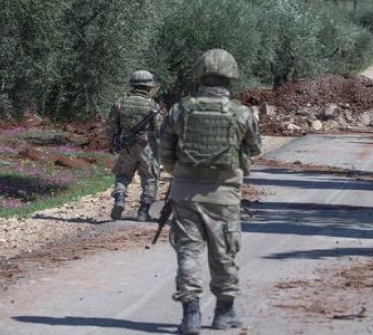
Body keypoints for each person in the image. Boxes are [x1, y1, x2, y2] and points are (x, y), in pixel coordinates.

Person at [158, 49, 261, 334]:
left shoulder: (179, 110)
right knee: (224, 253)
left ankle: (190, 316)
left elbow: (164, 152)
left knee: (188, 253)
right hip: (224, 195)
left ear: (200, 75)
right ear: (231, 77)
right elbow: (255, 148)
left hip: (185, 195)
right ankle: (223, 314)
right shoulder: (241, 113)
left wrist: (181, 174)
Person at [107, 70, 161, 222]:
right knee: (150, 178)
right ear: (149, 86)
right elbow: (159, 129)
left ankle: (119, 200)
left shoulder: (120, 102)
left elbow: (111, 126)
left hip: (126, 145)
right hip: (146, 147)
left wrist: (112, 142)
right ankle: (143, 211)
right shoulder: (153, 105)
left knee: (123, 174)